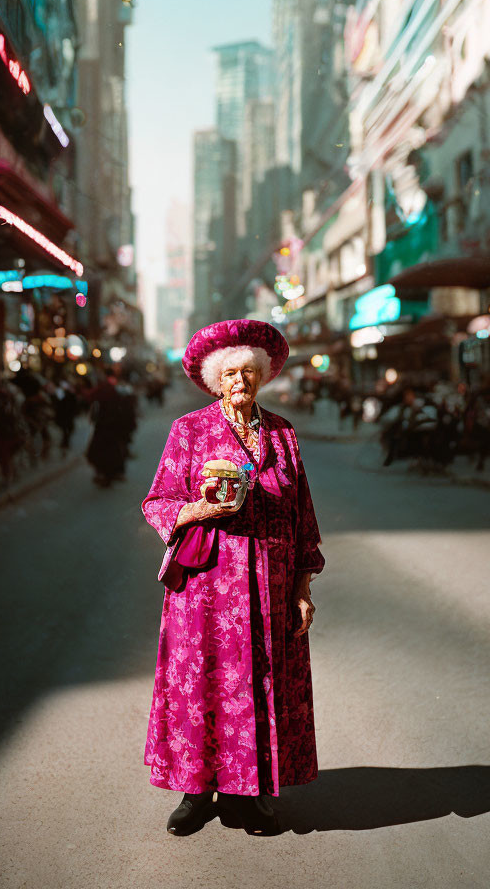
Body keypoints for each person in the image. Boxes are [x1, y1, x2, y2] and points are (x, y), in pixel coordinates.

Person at [140, 319, 325, 836]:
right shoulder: (190, 431)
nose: (240, 380)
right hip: (205, 590)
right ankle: (196, 791)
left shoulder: (284, 434)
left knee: (262, 686)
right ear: (216, 379)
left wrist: (303, 589)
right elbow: (157, 502)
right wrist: (199, 507)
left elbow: (302, 514)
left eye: (248, 371)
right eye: (230, 373)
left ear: (261, 376)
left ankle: (253, 793)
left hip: (270, 588)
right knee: (204, 685)